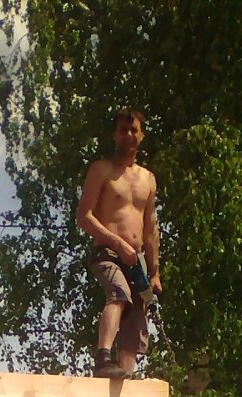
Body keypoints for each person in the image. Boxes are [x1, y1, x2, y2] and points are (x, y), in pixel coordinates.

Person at [76, 109, 162, 378]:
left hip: (136, 259)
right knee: (119, 294)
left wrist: (154, 272)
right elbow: (84, 217)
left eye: (134, 130)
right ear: (115, 135)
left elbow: (150, 228)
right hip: (108, 253)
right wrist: (118, 243)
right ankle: (103, 358)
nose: (129, 135)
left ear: (142, 135)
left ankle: (125, 380)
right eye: (123, 130)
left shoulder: (148, 179)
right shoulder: (101, 170)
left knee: (136, 322)